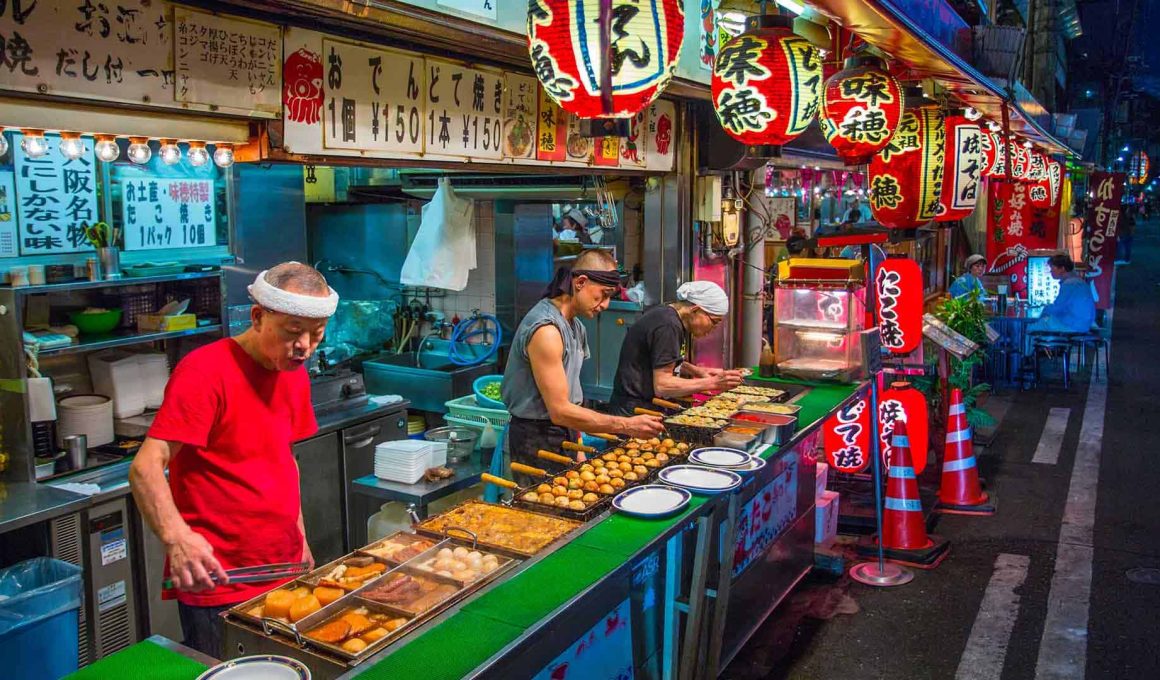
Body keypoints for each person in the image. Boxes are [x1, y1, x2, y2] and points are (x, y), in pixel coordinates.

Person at [129, 262, 338, 658]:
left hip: (282, 568)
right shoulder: (205, 371)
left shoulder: (293, 371)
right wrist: (177, 537)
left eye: (317, 335)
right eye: (293, 331)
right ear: (258, 317)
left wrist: (300, 537)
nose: (305, 347)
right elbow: (146, 465)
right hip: (222, 578)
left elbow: (283, 459)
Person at [501, 249, 664, 483]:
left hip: (564, 432)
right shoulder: (547, 331)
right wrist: (626, 425)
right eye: (603, 295)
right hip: (534, 440)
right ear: (580, 282)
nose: (606, 305)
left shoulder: (576, 327)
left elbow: (571, 399)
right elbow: (560, 411)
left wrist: (578, 451)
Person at [609, 282, 744, 415]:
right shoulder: (668, 326)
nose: (713, 329)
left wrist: (698, 371)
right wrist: (713, 383)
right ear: (695, 310)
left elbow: (662, 359)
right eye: (714, 322)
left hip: (643, 405)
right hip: (634, 410)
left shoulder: (670, 317)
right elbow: (663, 386)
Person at [1027, 254, 1095, 334]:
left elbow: (1058, 307)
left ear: (1062, 268)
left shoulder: (1070, 284)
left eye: (1052, 267)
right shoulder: (1079, 282)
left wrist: (1044, 311)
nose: (1051, 271)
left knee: (1029, 327)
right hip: (1084, 325)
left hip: (1072, 324)